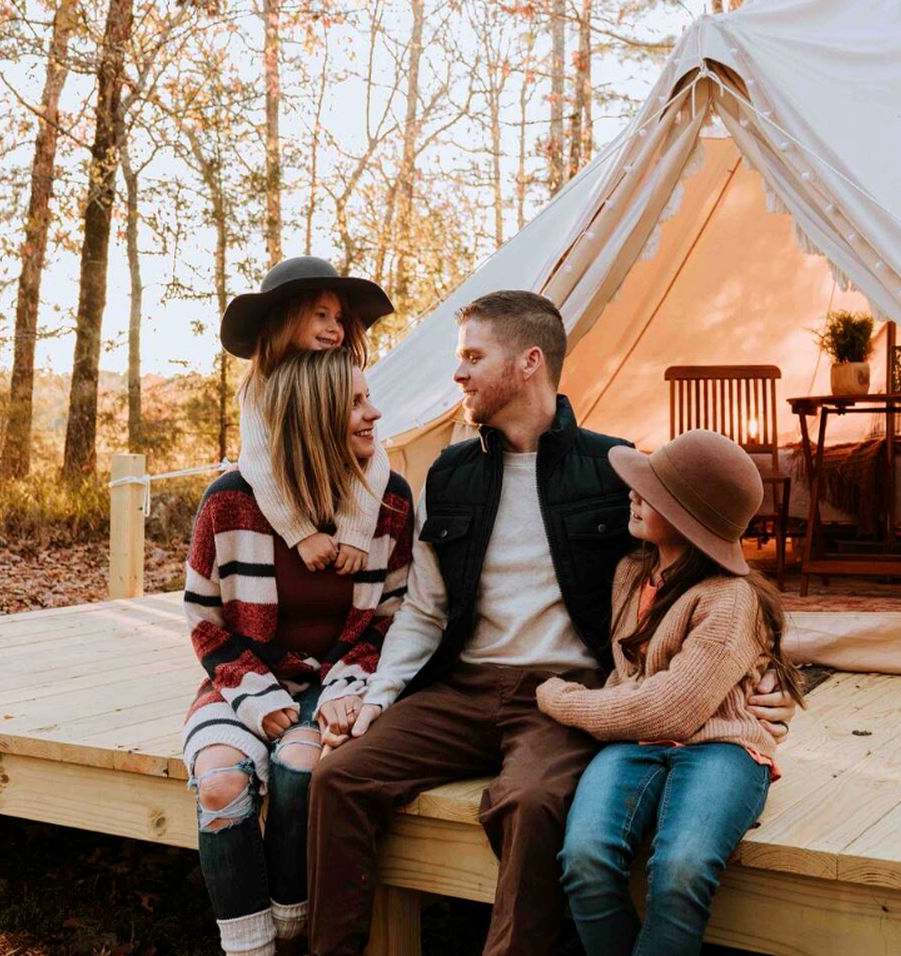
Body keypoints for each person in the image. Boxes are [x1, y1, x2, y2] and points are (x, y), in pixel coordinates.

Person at [306, 291, 798, 956]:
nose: (458, 374)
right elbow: (425, 609)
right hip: (459, 688)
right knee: (340, 777)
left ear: (529, 361)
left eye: (474, 357)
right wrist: (377, 699)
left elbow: (695, 580)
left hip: (563, 696)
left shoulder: (612, 469)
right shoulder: (448, 476)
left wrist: (754, 669)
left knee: (533, 802)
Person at [538, 429, 806, 956]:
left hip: (722, 747)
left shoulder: (730, 599)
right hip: (634, 743)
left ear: (689, 518)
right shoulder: (631, 574)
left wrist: (560, 699)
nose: (633, 494)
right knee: (584, 861)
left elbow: (671, 708)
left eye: (652, 491)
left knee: (681, 869)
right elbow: (640, 692)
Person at [182, 348, 413, 956]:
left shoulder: (389, 501)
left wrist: (350, 689)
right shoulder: (228, 501)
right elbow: (204, 621)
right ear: (311, 417)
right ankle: (250, 948)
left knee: (301, 770)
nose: (374, 414)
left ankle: (291, 927)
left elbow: (393, 618)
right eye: (356, 404)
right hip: (244, 678)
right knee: (220, 786)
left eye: (369, 398)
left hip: (340, 681)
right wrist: (254, 694)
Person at [221, 255, 396, 576]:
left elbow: (375, 457)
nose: (334, 327)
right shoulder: (258, 390)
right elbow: (259, 463)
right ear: (286, 320)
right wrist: (301, 532)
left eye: (339, 318)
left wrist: (356, 530)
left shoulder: (345, 377)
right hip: (290, 494)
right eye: (321, 315)